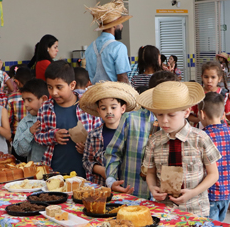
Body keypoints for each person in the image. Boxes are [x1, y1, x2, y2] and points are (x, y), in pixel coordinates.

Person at [138, 81, 221, 218]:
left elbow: (213, 174)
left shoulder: (200, 138)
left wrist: (193, 192)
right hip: (164, 211)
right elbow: (150, 173)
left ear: (187, 112)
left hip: (196, 210)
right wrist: (152, 188)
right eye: (159, 115)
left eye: (171, 115)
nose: (164, 120)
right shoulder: (154, 141)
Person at [104, 71, 176, 199]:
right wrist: (111, 180)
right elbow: (113, 152)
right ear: (152, 95)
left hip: (167, 201)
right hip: (133, 196)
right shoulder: (130, 120)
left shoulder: (179, 125)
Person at [35, 61, 101, 174]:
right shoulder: (45, 108)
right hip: (54, 171)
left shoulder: (88, 106)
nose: (54, 92)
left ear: (72, 85)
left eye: (59, 87)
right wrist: (53, 136)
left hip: (85, 172)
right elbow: (38, 136)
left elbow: (100, 137)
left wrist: (88, 148)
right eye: (50, 87)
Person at [80, 82, 139, 186]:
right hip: (101, 186)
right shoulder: (93, 135)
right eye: (103, 108)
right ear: (98, 110)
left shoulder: (131, 133)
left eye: (113, 107)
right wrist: (101, 170)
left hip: (127, 185)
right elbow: (86, 161)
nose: (108, 111)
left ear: (123, 109)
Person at [199, 92, 230, 222]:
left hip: (210, 193)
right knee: (219, 226)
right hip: (228, 192)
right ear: (223, 115)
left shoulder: (203, 136)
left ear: (202, 114)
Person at [85, 0, 132, 84]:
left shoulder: (90, 47)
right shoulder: (119, 47)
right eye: (120, 23)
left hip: (95, 94)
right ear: (114, 25)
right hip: (112, 94)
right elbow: (122, 78)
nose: (122, 26)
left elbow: (88, 76)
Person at [190, 62, 230, 133]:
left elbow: (229, 115)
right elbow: (189, 116)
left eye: (213, 77)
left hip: (220, 131)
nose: (209, 81)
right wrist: (201, 119)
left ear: (219, 78)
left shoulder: (226, 95)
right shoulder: (196, 94)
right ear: (202, 77)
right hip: (200, 131)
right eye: (206, 77)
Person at [12, 79, 49, 163]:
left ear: (44, 99)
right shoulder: (25, 122)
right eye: (24, 100)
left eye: (29, 100)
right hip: (35, 170)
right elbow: (20, 152)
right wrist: (29, 132)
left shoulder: (53, 118)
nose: (26, 104)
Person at [8, 66, 33, 133]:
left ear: (17, 82)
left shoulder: (12, 98)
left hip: (17, 134)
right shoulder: (38, 95)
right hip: (35, 133)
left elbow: (8, 120)